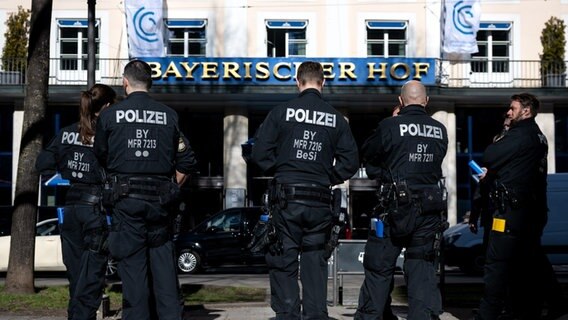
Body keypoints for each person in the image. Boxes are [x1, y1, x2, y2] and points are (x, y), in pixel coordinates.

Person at [250, 61, 359, 319]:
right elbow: (351, 162)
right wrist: (327, 177)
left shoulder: (280, 112)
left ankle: (288, 314)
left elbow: (259, 154)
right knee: (314, 263)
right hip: (320, 202)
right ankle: (316, 315)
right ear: (323, 83)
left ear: (297, 82)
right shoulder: (336, 119)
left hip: (287, 200)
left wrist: (283, 169)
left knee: (283, 261)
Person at [93, 60, 197, 320]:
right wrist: (169, 187)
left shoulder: (109, 115)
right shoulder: (169, 115)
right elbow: (187, 162)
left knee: (134, 280)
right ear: (149, 83)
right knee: (165, 276)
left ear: (125, 82)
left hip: (126, 204)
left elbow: (101, 156)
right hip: (161, 206)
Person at [355, 80, 448, 320]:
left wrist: (393, 124)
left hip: (393, 207)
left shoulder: (389, 126)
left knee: (379, 267)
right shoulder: (440, 130)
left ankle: (370, 316)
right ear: (426, 101)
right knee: (421, 269)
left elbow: (369, 153)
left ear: (400, 101)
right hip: (429, 208)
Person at [475, 93, 566, 320]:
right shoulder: (538, 136)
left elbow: (490, 154)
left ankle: (488, 315)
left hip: (510, 213)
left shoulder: (520, 135)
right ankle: (542, 306)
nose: (508, 112)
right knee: (529, 263)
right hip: (530, 211)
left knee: (497, 266)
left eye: (512, 108)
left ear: (525, 111)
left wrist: (500, 143)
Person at [35, 84, 117, 320]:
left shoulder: (67, 132)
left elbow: (43, 163)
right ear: (108, 106)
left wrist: (64, 176)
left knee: (77, 274)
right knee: (91, 277)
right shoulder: (108, 136)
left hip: (70, 210)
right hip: (95, 211)